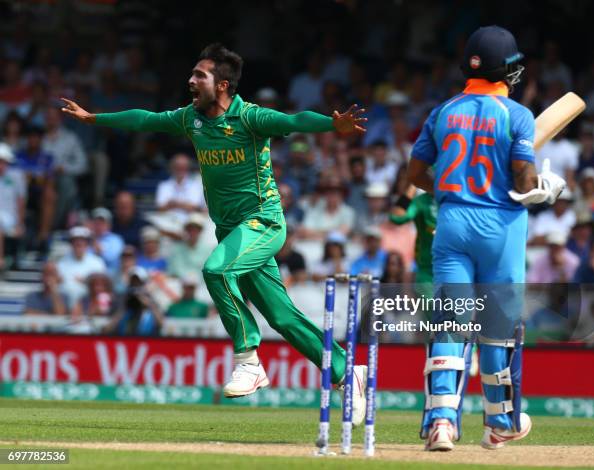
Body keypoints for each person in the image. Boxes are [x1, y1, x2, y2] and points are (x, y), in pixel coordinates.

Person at [60, 43, 368, 422]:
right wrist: (95, 118)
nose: (190, 81)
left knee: (216, 270)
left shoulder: (251, 118)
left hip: (263, 222)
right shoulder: (191, 119)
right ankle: (345, 372)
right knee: (282, 317)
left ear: (222, 85)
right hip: (231, 231)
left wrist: (330, 124)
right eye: (192, 74)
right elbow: (145, 119)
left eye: (199, 75)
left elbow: (294, 121)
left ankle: (248, 360)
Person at [406, 26, 566, 451]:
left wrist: (453, 187)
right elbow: (523, 178)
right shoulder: (516, 115)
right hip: (502, 227)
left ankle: (441, 421)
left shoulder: (443, 111)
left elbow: (415, 173)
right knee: (497, 328)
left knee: (449, 321)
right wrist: (546, 186)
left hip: (452, 221)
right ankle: (500, 421)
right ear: (508, 69)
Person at [56, 226, 106, 308]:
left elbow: (103, 289)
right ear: (71, 243)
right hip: (65, 307)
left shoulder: (97, 263)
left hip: (91, 307)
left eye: (82, 240)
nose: (79, 243)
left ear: (87, 243)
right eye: (76, 240)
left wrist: (87, 282)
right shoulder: (61, 263)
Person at [155, 153, 206, 225]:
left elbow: (195, 207)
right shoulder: (164, 185)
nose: (180, 169)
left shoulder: (196, 185)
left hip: (190, 222)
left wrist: (173, 204)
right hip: (167, 221)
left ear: (188, 168)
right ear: (172, 167)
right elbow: (160, 208)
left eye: (183, 167)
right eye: (177, 166)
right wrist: (184, 205)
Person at [0, 143, 25, 270]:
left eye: (3, 162)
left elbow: (20, 202)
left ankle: (0, 260)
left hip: (10, 218)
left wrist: (20, 224)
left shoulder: (16, 176)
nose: (1, 165)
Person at [167, 212, 213, 278]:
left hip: (202, 286)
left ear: (200, 231)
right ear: (186, 230)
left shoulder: (208, 250)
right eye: (190, 229)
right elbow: (173, 272)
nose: (193, 232)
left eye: (196, 229)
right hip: (181, 285)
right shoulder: (176, 249)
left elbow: (208, 272)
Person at [89, 207, 124, 274]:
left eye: (102, 222)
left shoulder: (116, 239)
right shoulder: (86, 238)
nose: (99, 226)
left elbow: (112, 257)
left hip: (110, 276)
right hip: (90, 275)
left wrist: (100, 251)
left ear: (109, 225)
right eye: (96, 223)